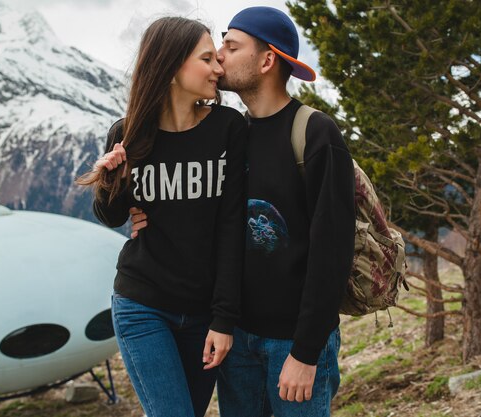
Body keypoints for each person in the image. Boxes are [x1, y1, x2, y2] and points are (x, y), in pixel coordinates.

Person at [131, 6, 355, 417]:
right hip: (234, 339)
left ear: (267, 60)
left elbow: (332, 252)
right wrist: (142, 212)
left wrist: (306, 353)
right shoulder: (229, 133)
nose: (219, 58)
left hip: (294, 342)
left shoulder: (315, 133)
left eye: (231, 47)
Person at [76, 17, 247, 417]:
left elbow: (232, 227)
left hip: (205, 312)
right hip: (143, 304)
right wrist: (110, 177)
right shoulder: (129, 133)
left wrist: (224, 320)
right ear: (172, 66)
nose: (219, 68)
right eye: (207, 59)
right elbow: (111, 214)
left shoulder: (228, 128)